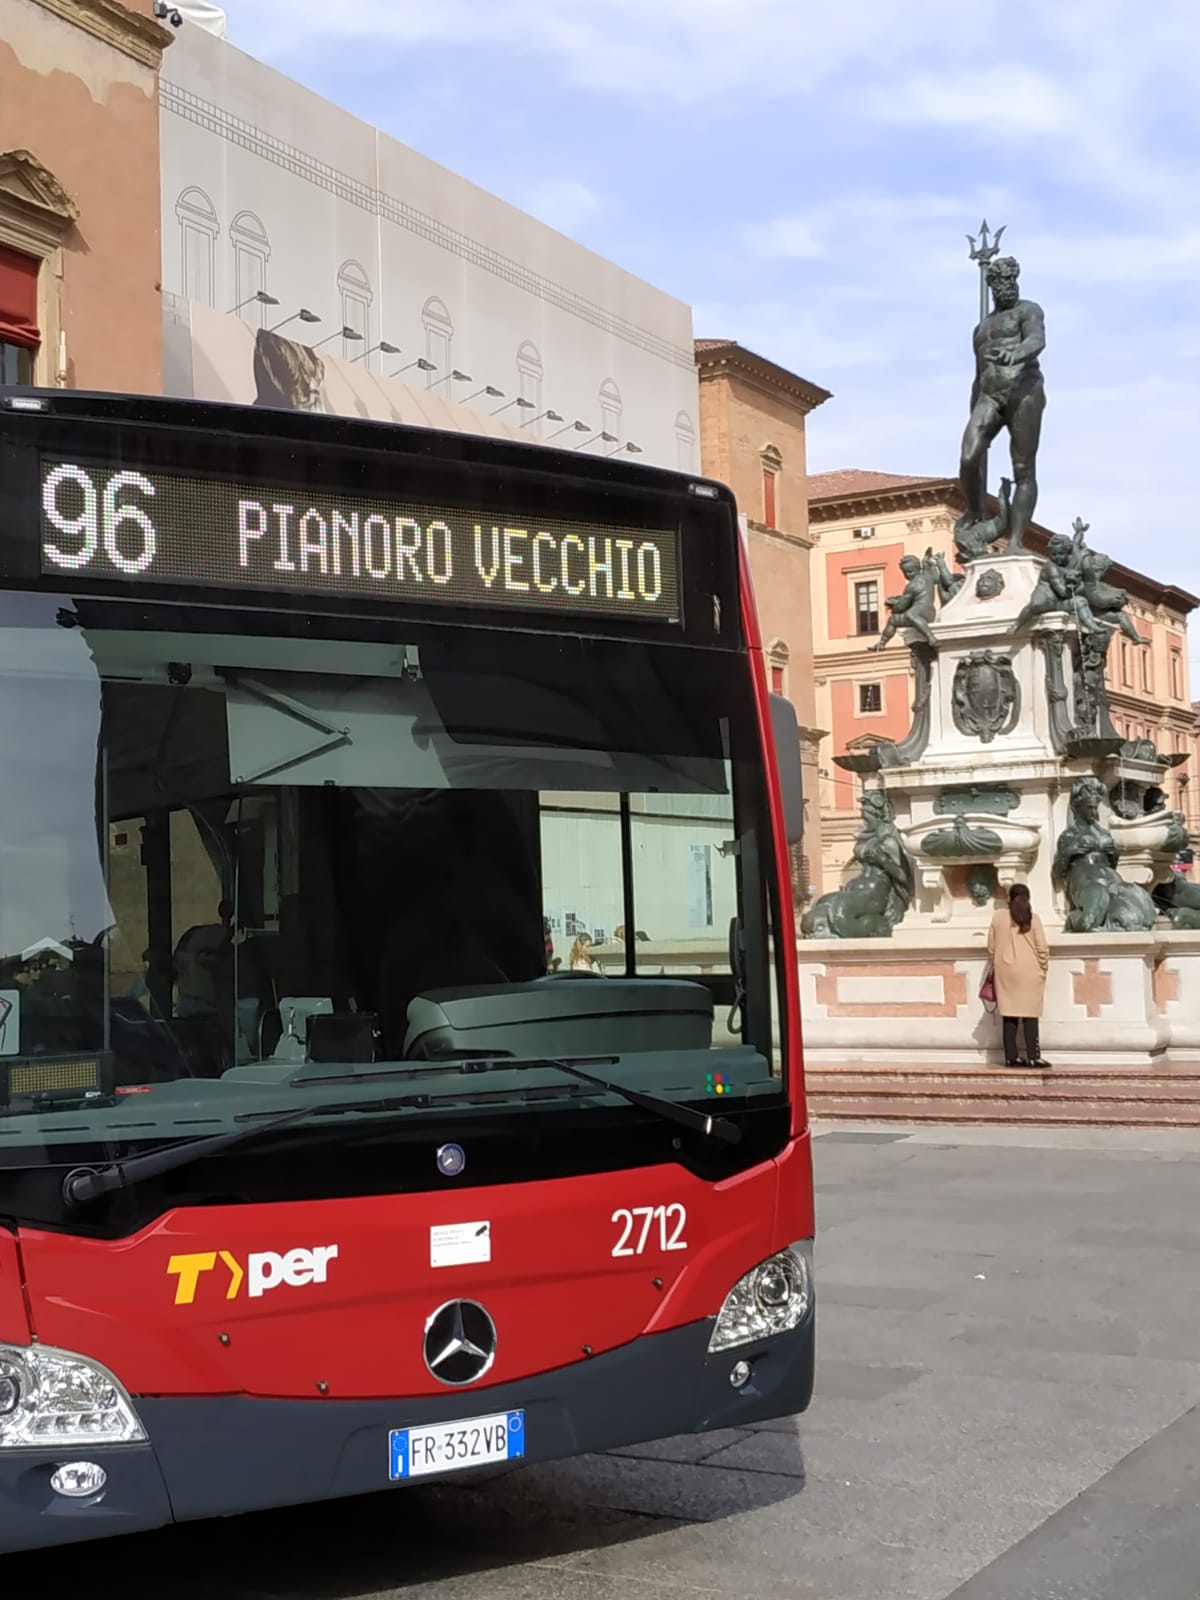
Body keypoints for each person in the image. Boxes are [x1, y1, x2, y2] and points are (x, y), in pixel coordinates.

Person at [986, 884, 1050, 1069]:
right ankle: (1033, 1056)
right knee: (1030, 1015)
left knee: (1009, 1015)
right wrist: (1043, 969)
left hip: (1005, 972)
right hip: (1030, 970)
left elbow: (990, 945)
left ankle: (1011, 1057)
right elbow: (1042, 948)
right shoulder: (1034, 919)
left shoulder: (998, 917)